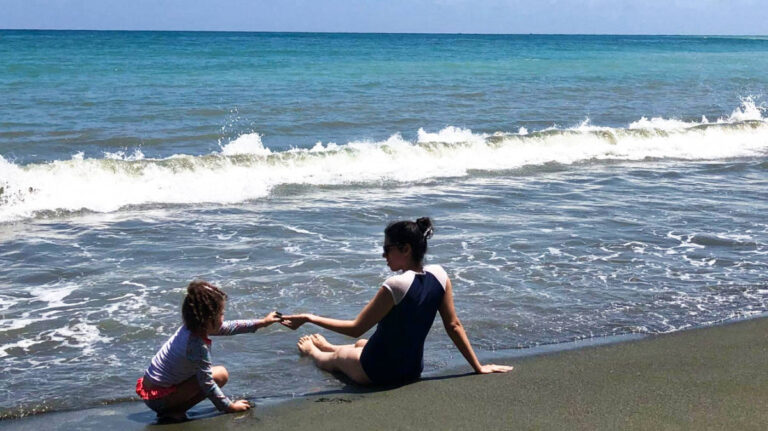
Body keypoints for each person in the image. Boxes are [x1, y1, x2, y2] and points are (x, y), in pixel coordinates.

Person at [281, 217, 513, 386]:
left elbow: (355, 328)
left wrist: (309, 317)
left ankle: (318, 351)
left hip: (375, 373)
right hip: (411, 371)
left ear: (405, 248)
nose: (384, 255)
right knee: (362, 344)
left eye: (386, 249)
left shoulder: (396, 285)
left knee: (332, 359)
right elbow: (454, 326)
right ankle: (334, 347)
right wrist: (478, 367)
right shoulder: (441, 276)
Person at [135, 280, 281, 422]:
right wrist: (229, 407)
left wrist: (262, 322)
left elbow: (229, 327)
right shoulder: (196, 345)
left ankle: (173, 408)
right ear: (209, 318)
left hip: (153, 392)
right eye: (221, 314)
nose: (223, 319)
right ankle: (174, 411)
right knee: (220, 374)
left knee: (212, 373)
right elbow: (207, 383)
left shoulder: (192, 327)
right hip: (159, 399)